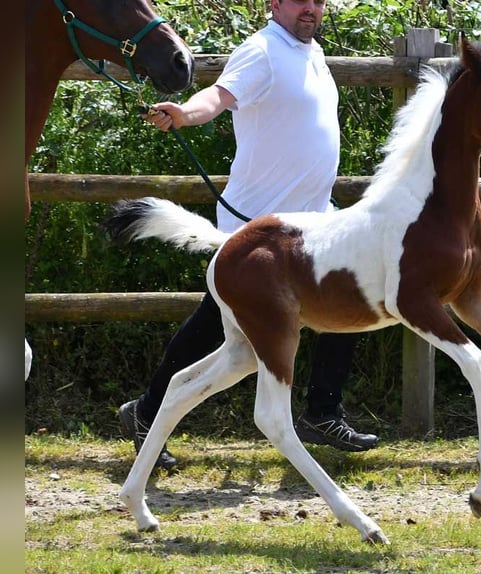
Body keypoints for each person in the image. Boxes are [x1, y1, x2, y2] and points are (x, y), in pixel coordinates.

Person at [119, 0, 379, 470]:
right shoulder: (260, 51)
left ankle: (322, 411)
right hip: (256, 230)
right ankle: (147, 411)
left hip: (309, 223)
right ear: (274, 4)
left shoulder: (311, 53)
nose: (311, 9)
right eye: (301, 0)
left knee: (350, 292)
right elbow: (217, 98)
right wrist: (184, 114)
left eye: (318, 1)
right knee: (212, 328)